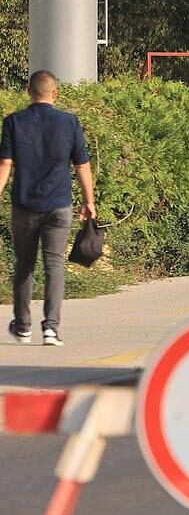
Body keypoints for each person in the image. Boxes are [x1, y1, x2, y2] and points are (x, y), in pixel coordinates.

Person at [0, 71, 95, 346]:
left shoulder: (14, 122)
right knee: (54, 265)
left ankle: (22, 326)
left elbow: (5, 165)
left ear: (29, 92)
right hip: (59, 205)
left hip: (24, 205)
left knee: (24, 265)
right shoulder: (69, 122)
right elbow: (82, 165)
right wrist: (89, 201)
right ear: (55, 94)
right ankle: (51, 328)